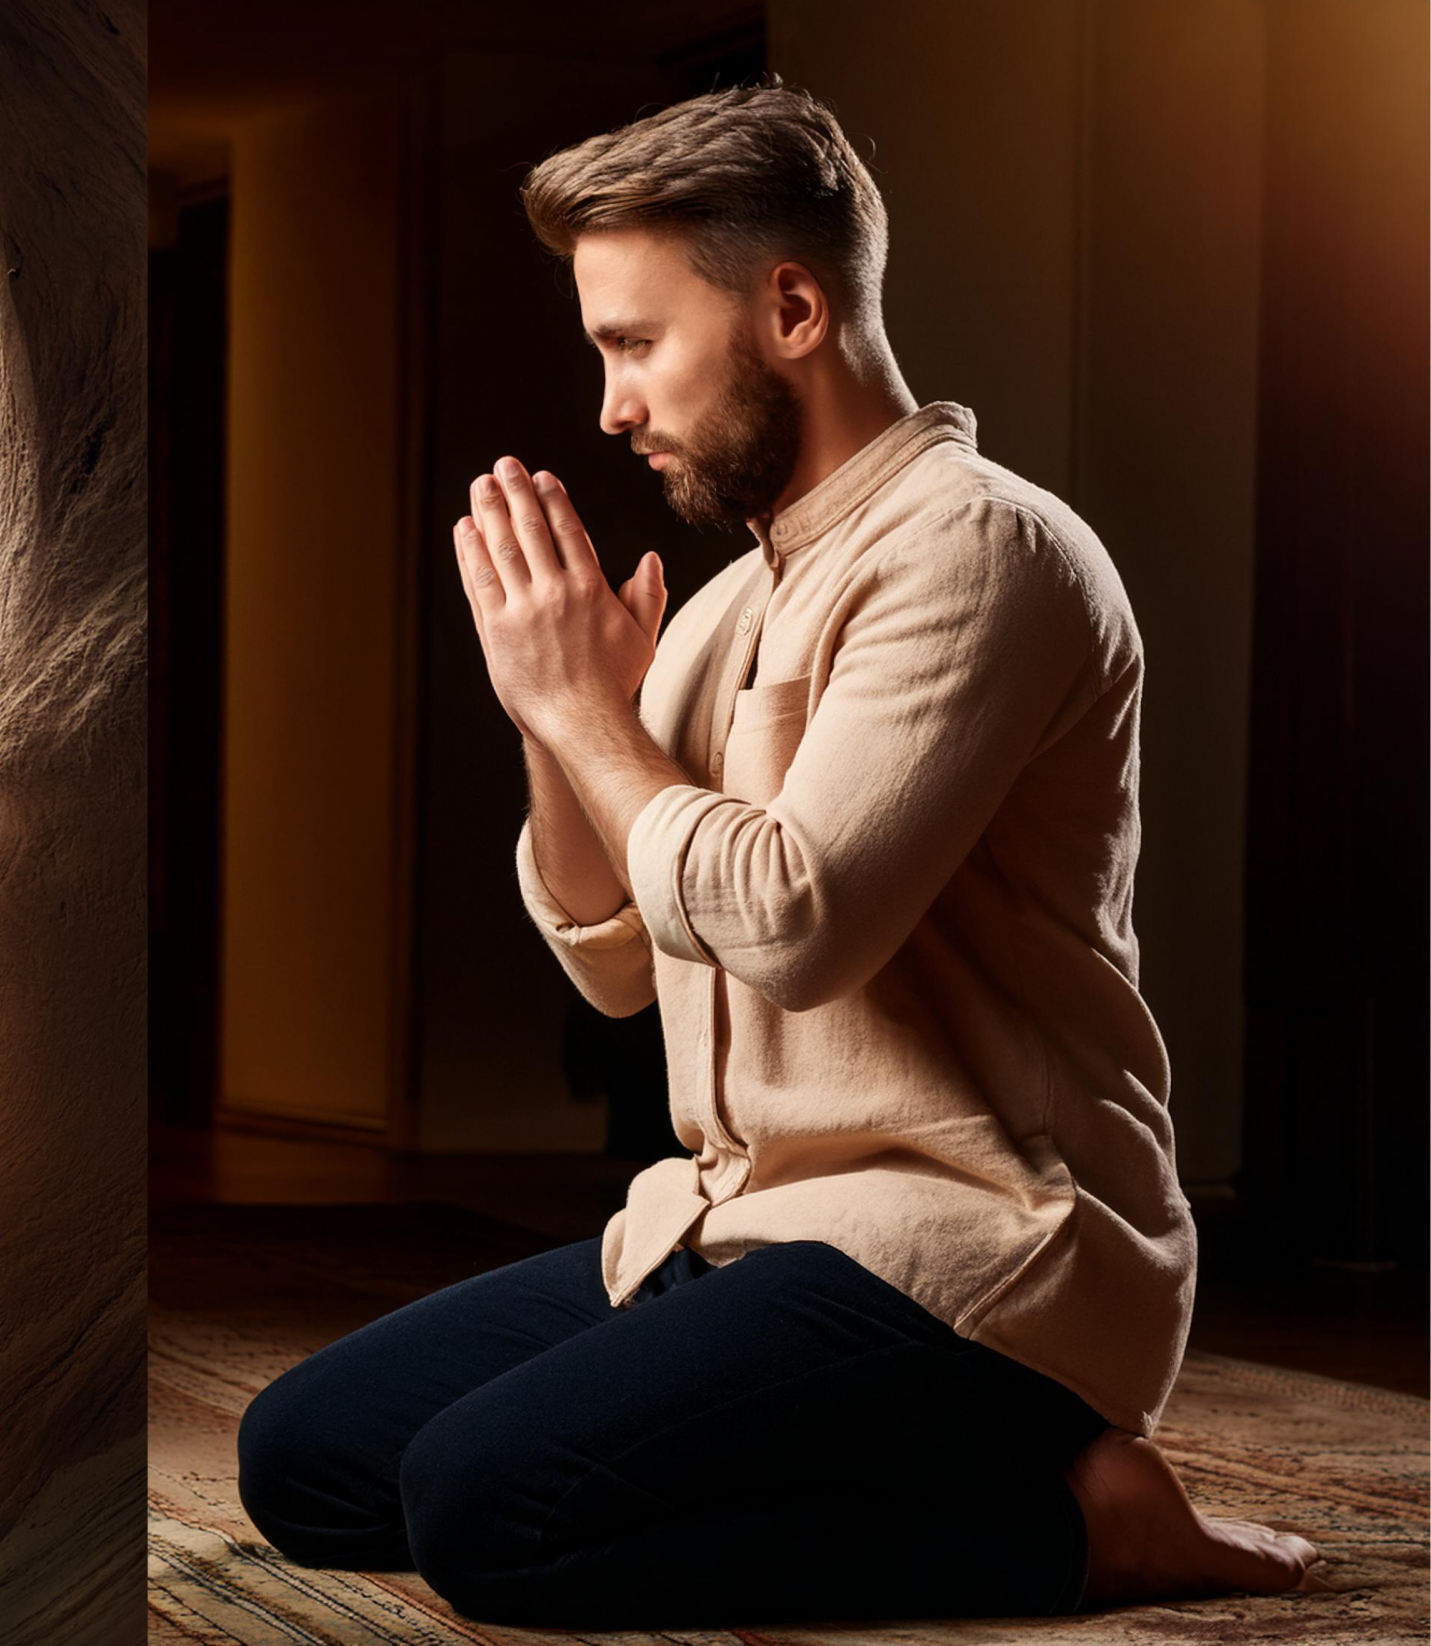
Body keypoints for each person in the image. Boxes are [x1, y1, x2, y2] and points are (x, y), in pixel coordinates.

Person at [233, 82, 1326, 1628]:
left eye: (634, 344)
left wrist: (586, 712)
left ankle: (1078, 1526)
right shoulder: (731, 606)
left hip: (981, 1248)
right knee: (304, 1462)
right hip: (734, 1219)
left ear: (793, 311)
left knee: (485, 1513)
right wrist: (558, 717)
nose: (610, 405)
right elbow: (616, 963)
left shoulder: (983, 552)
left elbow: (798, 925)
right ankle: (876, 1473)